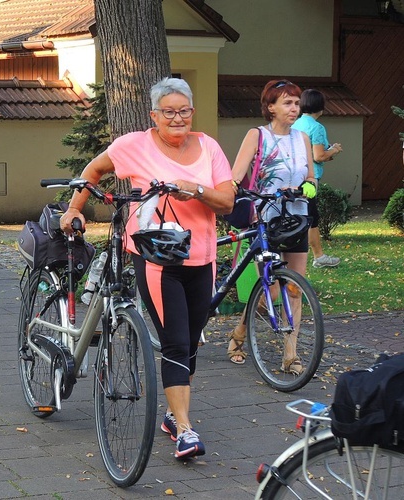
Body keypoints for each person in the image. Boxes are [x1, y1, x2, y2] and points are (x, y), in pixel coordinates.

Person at [59, 77, 234, 460]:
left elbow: (227, 199)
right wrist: (75, 208)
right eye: (168, 112)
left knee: (189, 342)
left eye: (183, 110)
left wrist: (197, 190)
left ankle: (174, 415)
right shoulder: (133, 145)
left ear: (192, 112)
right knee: (174, 340)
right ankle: (186, 431)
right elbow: (93, 170)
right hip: (155, 258)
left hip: (201, 258)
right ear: (154, 116)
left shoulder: (209, 147)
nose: (177, 118)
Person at [227, 80, 316, 368]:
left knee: (295, 288)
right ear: (271, 107)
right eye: (288, 103)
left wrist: (310, 187)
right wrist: (228, 193)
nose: (294, 108)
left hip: (297, 217)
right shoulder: (258, 136)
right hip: (266, 219)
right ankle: (240, 331)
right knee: (272, 290)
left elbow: (311, 176)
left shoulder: (302, 138)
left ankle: (290, 356)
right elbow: (235, 175)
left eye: (297, 102)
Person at [291, 89, 342, 268]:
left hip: (293, 177)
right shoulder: (316, 127)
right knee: (312, 218)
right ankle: (318, 256)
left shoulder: (295, 124)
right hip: (309, 180)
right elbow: (318, 156)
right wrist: (334, 150)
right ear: (321, 107)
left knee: (299, 217)